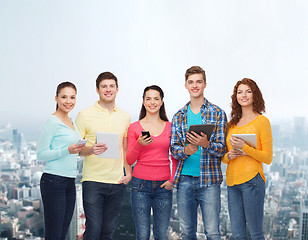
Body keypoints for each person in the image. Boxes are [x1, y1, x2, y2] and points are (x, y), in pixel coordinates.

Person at [170, 66, 227, 240]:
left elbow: (222, 149)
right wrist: (185, 150)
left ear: (205, 84)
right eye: (191, 82)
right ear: (186, 85)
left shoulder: (217, 113)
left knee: (212, 232)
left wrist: (206, 144)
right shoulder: (178, 116)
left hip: (209, 181)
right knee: (187, 233)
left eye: (198, 82)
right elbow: (174, 149)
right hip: (184, 180)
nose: (195, 85)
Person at [75, 72, 131, 240]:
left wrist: (128, 173)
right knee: (93, 230)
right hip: (93, 181)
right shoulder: (84, 115)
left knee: (108, 231)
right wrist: (91, 149)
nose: (108, 90)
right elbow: (77, 148)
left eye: (111, 86)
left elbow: (125, 147)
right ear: (98, 90)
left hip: (116, 182)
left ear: (117, 89)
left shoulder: (125, 116)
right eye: (104, 86)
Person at [222, 78, 273, 240]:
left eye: (248, 91)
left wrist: (245, 148)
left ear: (255, 95)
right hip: (231, 183)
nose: (243, 95)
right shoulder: (230, 125)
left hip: (252, 182)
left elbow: (268, 157)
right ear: (235, 96)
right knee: (237, 235)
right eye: (239, 92)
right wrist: (228, 156)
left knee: (256, 233)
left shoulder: (262, 122)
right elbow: (223, 157)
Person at [126, 85, 177, 240]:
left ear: (161, 102)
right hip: (140, 186)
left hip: (164, 186)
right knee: (142, 235)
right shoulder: (134, 128)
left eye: (156, 99)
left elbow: (175, 157)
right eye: (148, 99)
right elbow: (129, 159)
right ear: (143, 102)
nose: (152, 102)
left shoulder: (170, 127)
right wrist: (139, 143)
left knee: (161, 235)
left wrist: (171, 181)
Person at [37, 82, 85, 240]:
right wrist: (67, 150)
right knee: (54, 235)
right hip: (53, 181)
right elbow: (41, 154)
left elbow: (76, 150)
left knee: (63, 233)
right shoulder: (53, 121)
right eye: (64, 97)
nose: (68, 101)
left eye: (72, 97)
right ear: (56, 98)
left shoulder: (71, 122)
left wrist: (91, 148)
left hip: (69, 182)